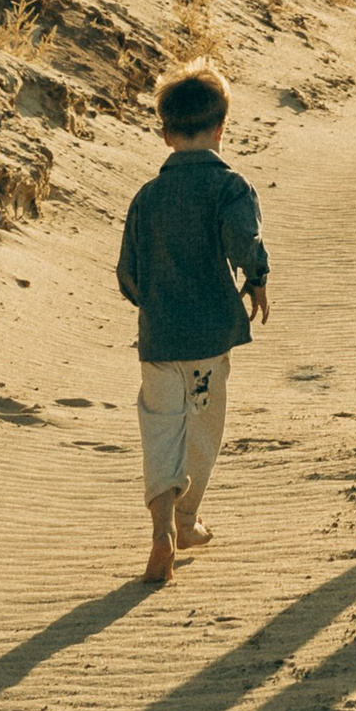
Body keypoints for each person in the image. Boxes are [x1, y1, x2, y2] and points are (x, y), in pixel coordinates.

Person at [116, 57, 269, 588]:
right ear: (222, 128)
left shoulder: (146, 197)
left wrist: (155, 303)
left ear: (164, 135)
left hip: (158, 340)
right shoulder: (232, 187)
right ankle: (186, 520)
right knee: (203, 430)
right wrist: (257, 278)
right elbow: (243, 240)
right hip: (208, 339)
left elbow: (127, 275)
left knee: (159, 429)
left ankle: (160, 526)